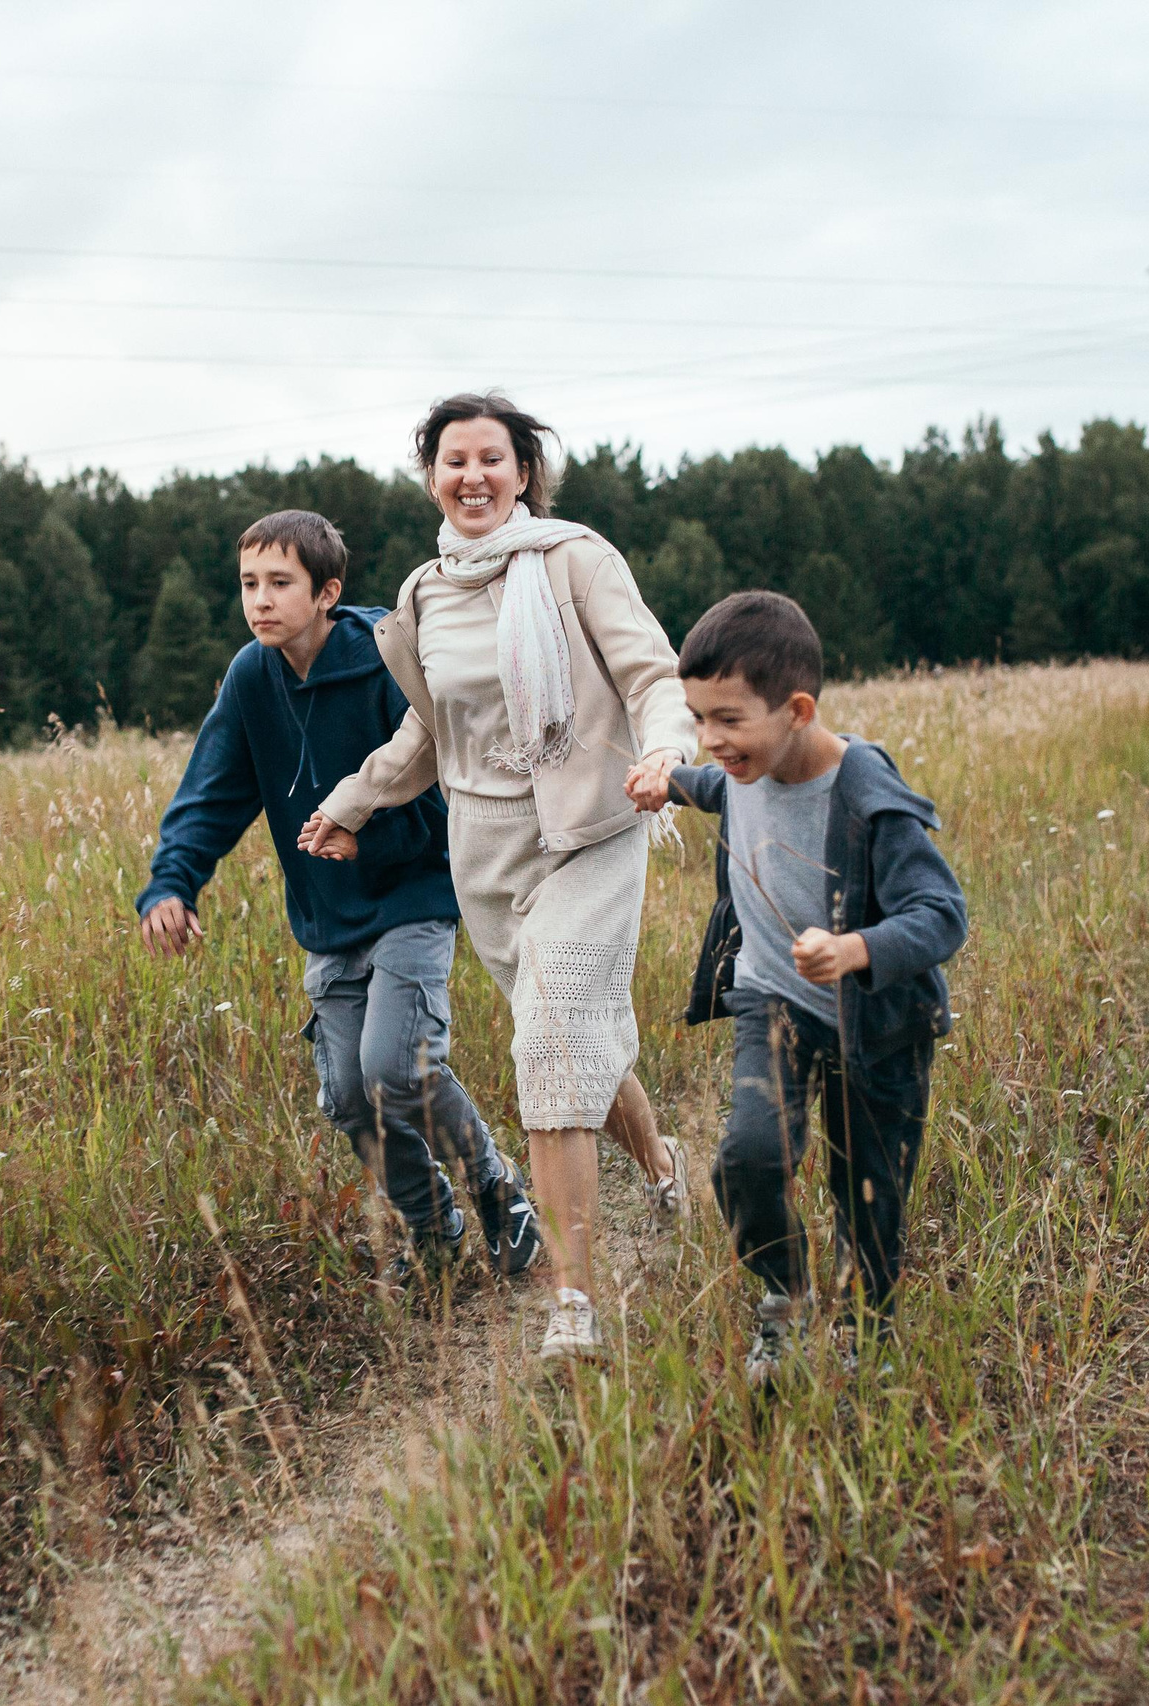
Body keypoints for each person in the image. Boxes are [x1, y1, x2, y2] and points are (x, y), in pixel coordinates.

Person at [298, 394, 692, 1362]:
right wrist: (353, 799)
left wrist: (665, 753)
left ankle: (573, 1303)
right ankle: (659, 1156)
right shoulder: (423, 594)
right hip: (486, 851)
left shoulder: (575, 560)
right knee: (570, 1038)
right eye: (452, 460)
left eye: (491, 459)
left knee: (549, 1043)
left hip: (591, 830)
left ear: (523, 472)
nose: (471, 476)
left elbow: (652, 674)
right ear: (431, 475)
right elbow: (430, 734)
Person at [137, 509, 543, 1286]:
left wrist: (373, 833)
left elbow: (437, 779)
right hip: (327, 920)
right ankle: (433, 1232)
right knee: (352, 1097)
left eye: (279, 583)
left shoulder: (386, 658)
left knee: (398, 1068)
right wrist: (173, 882)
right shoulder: (251, 678)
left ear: (327, 592)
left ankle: (497, 1190)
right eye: (249, 584)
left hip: (411, 897)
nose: (259, 600)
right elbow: (212, 793)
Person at [626, 590, 967, 1382]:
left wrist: (857, 947)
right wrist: (667, 777)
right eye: (697, 718)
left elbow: (943, 914)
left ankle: (863, 1337)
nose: (711, 740)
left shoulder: (869, 797)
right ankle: (782, 1297)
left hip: (876, 1024)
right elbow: (716, 789)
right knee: (747, 1158)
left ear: (799, 709)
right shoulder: (743, 769)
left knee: (868, 1194)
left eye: (728, 720)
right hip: (771, 1004)